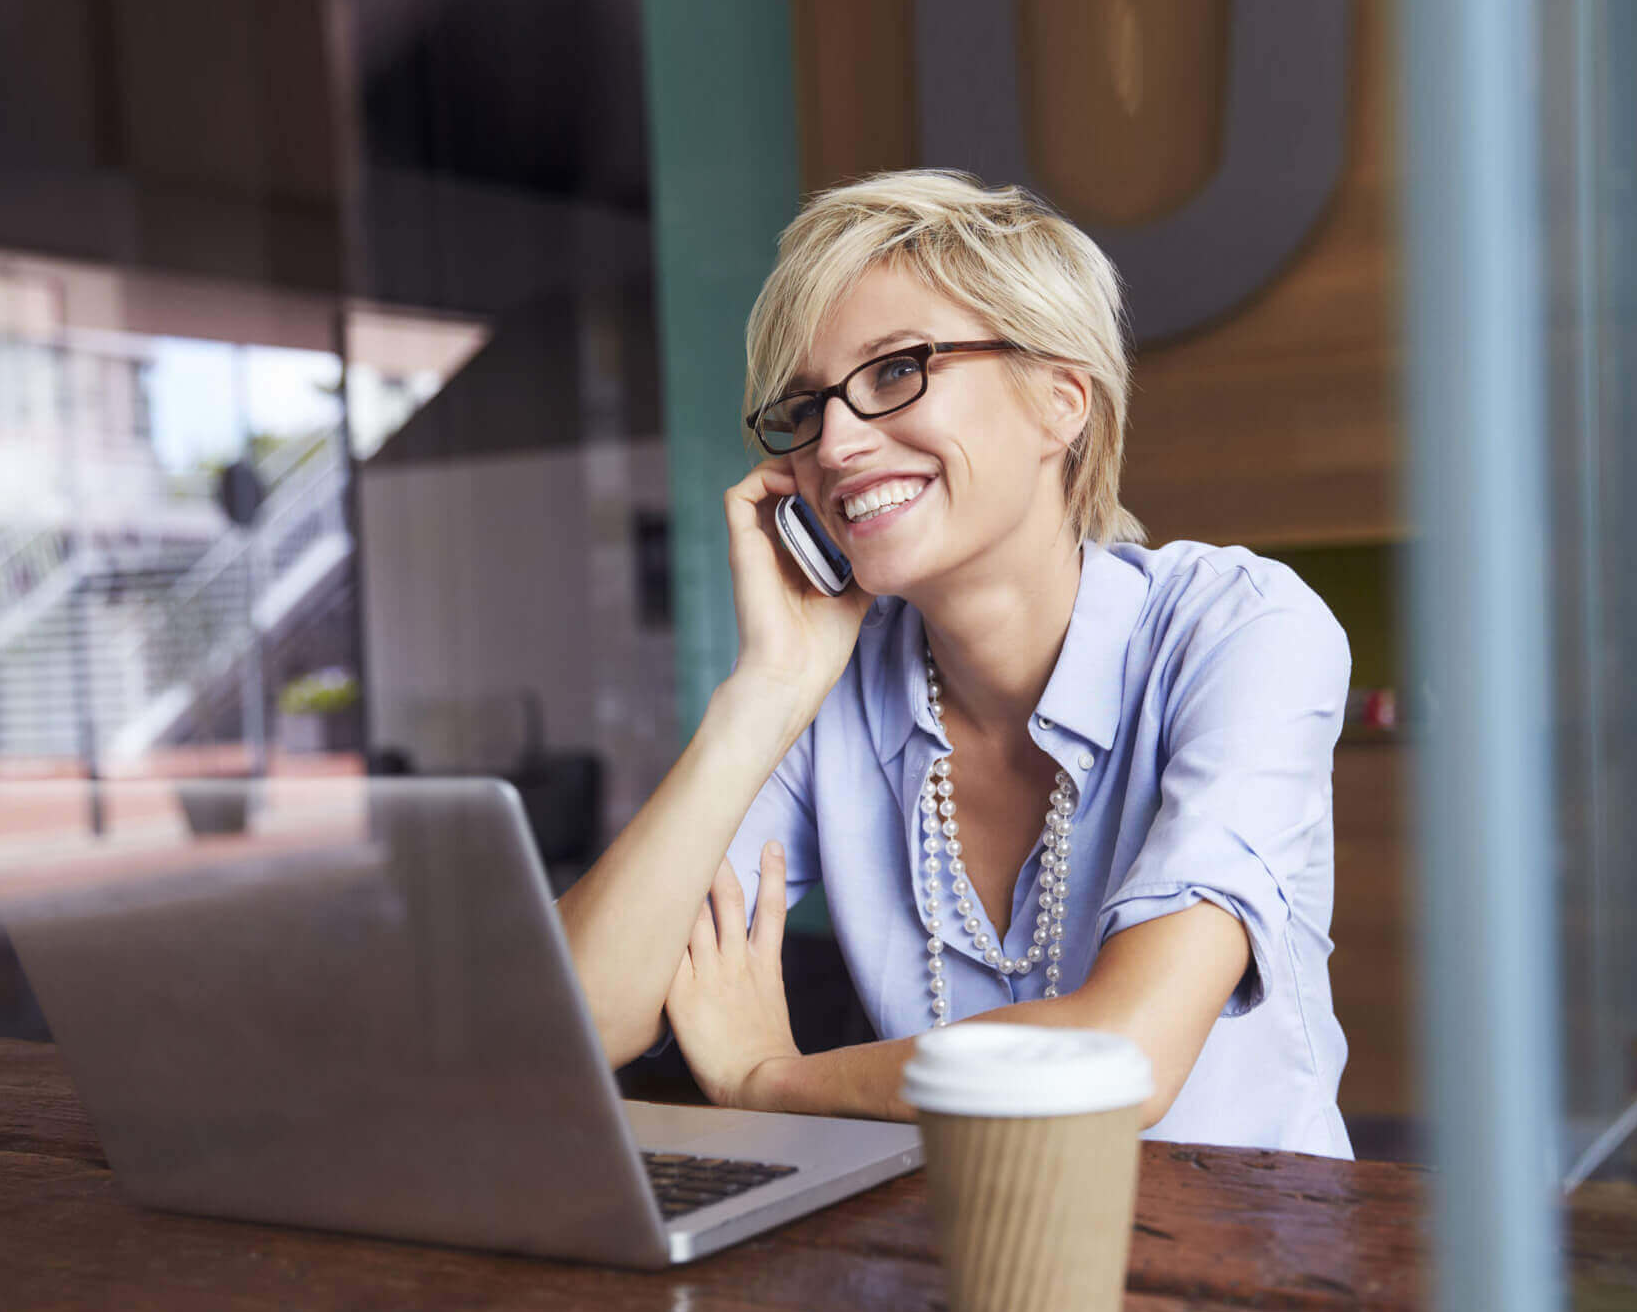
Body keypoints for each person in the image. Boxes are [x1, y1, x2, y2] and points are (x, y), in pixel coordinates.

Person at [556, 169, 1352, 1157]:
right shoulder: (832, 694)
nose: (836, 445)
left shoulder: (1244, 631)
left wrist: (775, 1082)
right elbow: (573, 1022)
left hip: (1244, 1276)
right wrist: (761, 694)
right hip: (948, 1266)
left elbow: (1125, 1056)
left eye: (894, 372)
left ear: (1061, 399)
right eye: (804, 410)